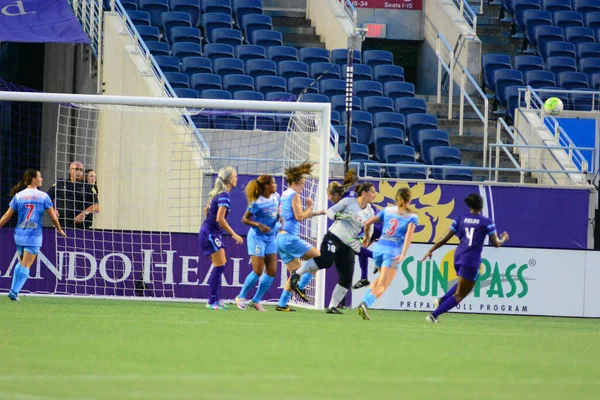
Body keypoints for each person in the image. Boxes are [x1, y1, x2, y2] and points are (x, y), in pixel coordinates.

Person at [421, 193, 509, 323]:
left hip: (458, 257)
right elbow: (497, 244)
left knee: (464, 283)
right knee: (460, 294)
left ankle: (441, 300)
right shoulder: (487, 222)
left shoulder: (460, 219)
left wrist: (431, 249)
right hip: (471, 260)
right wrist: (504, 239)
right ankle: (433, 315)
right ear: (481, 205)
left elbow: (445, 238)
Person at [290, 182, 377, 314]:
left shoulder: (370, 211)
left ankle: (332, 307)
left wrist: (361, 240)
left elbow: (369, 229)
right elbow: (330, 211)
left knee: (347, 277)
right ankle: (297, 273)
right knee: (326, 261)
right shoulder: (348, 201)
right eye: (372, 192)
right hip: (334, 237)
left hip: (348, 245)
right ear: (364, 193)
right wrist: (336, 216)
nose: (374, 195)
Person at [0, 169, 66, 301]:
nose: (41, 179)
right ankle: (14, 291)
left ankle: (13, 290)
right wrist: (59, 229)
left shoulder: (18, 196)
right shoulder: (43, 196)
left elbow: (7, 215)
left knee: (21, 262)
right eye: (40, 177)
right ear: (33, 179)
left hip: (19, 234)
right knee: (26, 265)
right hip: (33, 235)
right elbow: (53, 216)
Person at [357, 187, 418, 320]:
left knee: (380, 279)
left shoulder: (387, 210)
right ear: (409, 199)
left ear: (396, 198)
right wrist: (403, 254)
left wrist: (367, 237)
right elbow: (408, 237)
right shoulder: (412, 216)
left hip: (379, 250)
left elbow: (367, 223)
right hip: (392, 252)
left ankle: (364, 301)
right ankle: (365, 304)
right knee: (384, 285)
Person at [275, 161, 325, 312]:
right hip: (290, 237)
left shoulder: (284, 194)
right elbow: (299, 216)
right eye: (302, 183)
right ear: (296, 182)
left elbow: (285, 215)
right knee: (319, 258)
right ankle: (301, 287)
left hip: (280, 238)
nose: (303, 186)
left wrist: (313, 212)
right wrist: (311, 207)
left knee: (295, 272)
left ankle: (282, 304)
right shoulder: (295, 195)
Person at [200, 166, 244, 310]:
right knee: (220, 265)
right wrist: (233, 234)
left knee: (221, 264)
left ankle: (216, 299)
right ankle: (211, 301)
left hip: (210, 231)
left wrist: (210, 224)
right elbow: (219, 218)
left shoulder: (218, 194)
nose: (237, 178)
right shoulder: (224, 195)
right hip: (210, 233)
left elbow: (207, 209)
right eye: (235, 176)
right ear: (230, 179)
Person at [235, 174, 280, 311]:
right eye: (273, 183)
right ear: (266, 186)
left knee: (272, 271)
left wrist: (280, 219)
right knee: (258, 270)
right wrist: (258, 224)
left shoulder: (276, 196)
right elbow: (244, 219)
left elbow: (275, 214)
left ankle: (255, 301)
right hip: (257, 237)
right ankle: (240, 297)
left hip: (270, 237)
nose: (276, 186)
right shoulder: (256, 202)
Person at [47, 161, 99, 229]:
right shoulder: (61, 184)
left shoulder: (88, 187)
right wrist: (53, 210)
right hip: (62, 224)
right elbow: (47, 197)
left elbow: (96, 206)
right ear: (70, 170)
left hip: (82, 226)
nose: (78, 172)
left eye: (81, 170)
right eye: (76, 169)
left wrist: (84, 213)